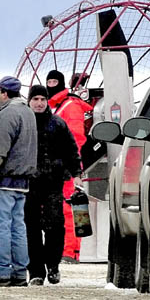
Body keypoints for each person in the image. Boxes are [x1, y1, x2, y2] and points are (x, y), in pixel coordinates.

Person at [0, 76, 37, 287]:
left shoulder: (8, 114)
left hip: (5, 180)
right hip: (23, 180)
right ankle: (20, 273)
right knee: (18, 228)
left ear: (4, 93)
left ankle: (2, 271)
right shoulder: (27, 112)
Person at [24, 85, 81, 286]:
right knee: (30, 229)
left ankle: (53, 266)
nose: (39, 103)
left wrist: (76, 173)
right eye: (35, 99)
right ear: (29, 101)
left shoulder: (58, 124)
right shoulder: (23, 123)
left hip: (53, 183)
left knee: (55, 227)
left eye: (42, 99)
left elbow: (71, 150)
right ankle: (36, 272)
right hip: (28, 184)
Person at [46, 70, 91, 263]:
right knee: (65, 209)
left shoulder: (69, 106)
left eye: (54, 81)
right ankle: (66, 251)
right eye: (49, 81)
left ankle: (71, 251)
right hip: (59, 166)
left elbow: (76, 138)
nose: (51, 85)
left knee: (69, 209)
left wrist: (69, 164)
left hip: (66, 167)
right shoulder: (59, 107)